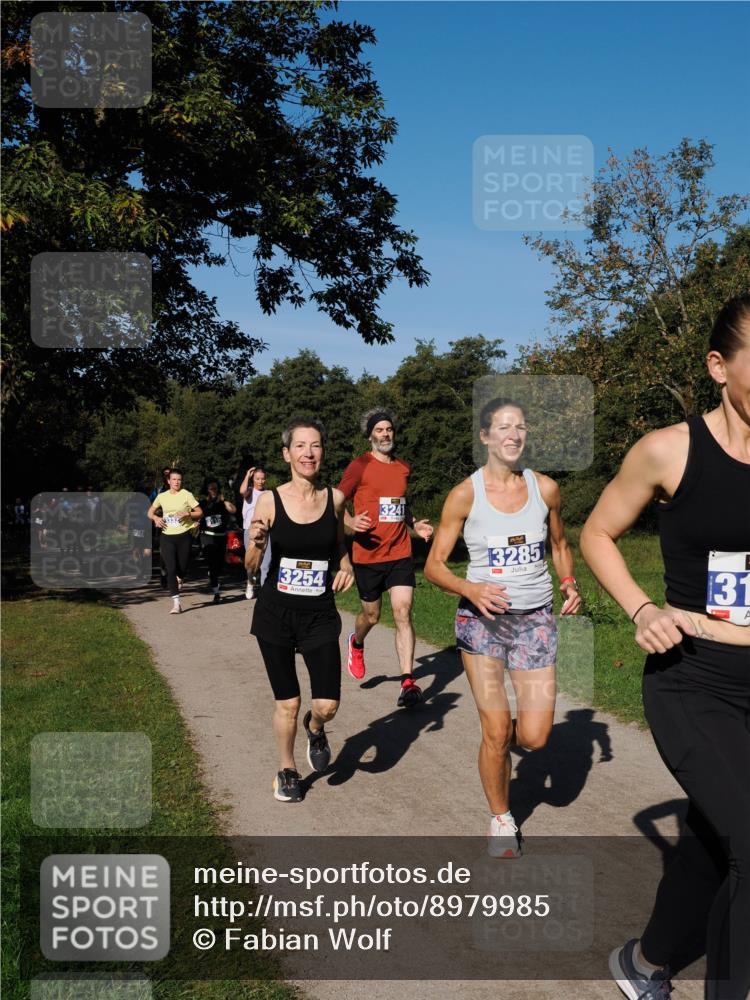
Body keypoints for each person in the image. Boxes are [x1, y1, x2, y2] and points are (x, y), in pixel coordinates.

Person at [580, 295, 750, 1000]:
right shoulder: (667, 450)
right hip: (693, 681)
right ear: (719, 366)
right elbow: (596, 533)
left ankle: (646, 962)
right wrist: (642, 606)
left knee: (720, 837)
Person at [424, 396, 581, 857]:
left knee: (533, 737)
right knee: (496, 730)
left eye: (521, 427)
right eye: (504, 427)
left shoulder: (545, 489)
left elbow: (560, 544)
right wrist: (470, 590)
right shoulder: (464, 495)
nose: (514, 435)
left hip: (535, 622)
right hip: (483, 624)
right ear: (486, 436)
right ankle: (500, 817)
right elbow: (434, 566)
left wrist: (568, 580)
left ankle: (500, 745)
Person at [246, 418, 354, 803]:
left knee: (327, 704)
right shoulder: (269, 500)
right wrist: (256, 543)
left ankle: (316, 726)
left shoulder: (336, 499)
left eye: (316, 446)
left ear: (322, 452)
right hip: (276, 613)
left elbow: (339, 545)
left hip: (320, 614)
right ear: (286, 453)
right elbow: (250, 567)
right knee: (287, 702)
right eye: (301, 446)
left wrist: (346, 566)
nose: (309, 453)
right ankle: (286, 769)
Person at [338, 409, 434, 707]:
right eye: (379, 429)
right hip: (367, 555)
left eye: (389, 429)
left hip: (400, 551)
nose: (385, 434)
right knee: (372, 616)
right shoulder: (359, 466)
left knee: (403, 612)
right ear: (370, 435)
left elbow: (400, 505)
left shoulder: (403, 467)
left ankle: (408, 682)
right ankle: (357, 642)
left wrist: (414, 523)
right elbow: (337, 504)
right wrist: (350, 523)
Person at [147, 469, 202, 614]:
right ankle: (176, 603)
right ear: (168, 481)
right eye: (174, 479)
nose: (177, 482)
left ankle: (180, 577)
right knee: (170, 569)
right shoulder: (162, 496)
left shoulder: (186, 494)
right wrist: (156, 518)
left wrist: (188, 513)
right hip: (166, 536)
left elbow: (200, 512)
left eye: (179, 479)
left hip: (184, 535)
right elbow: (149, 512)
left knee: (182, 567)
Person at [198, 478, 236, 603]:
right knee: (212, 563)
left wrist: (224, 500)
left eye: (215, 488)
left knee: (220, 564)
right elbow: (197, 515)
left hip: (221, 536)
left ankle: (213, 575)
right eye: (211, 488)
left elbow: (233, 510)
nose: (214, 490)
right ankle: (216, 592)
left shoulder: (223, 503)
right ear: (207, 490)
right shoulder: (203, 503)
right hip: (207, 536)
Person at [240, 464, 271, 599]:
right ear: (253, 479)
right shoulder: (249, 492)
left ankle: (264, 592)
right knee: (251, 563)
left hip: (265, 531)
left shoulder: (269, 494)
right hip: (250, 530)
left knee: (266, 563)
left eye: (262, 479)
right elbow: (242, 491)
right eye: (257, 479)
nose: (260, 481)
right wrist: (247, 475)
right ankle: (250, 583)